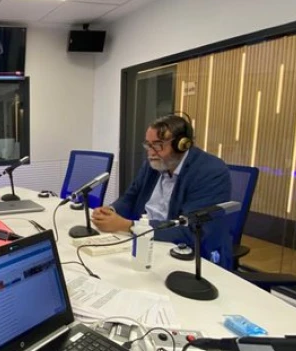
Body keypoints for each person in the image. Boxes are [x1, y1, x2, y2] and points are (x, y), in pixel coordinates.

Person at [91, 115, 233, 269]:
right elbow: (131, 197)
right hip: (147, 243)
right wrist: (111, 210)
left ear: (181, 145)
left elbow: (191, 230)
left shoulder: (210, 171)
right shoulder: (154, 163)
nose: (151, 152)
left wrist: (129, 226)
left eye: (158, 145)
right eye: (148, 145)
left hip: (189, 256)